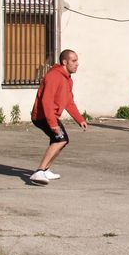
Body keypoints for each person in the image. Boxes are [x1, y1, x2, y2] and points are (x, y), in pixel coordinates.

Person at [29, 49, 88, 185]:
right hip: (42, 116)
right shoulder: (54, 76)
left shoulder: (68, 79)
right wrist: (53, 124)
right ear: (64, 62)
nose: (77, 64)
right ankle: (39, 171)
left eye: (77, 61)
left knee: (62, 140)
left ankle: (46, 170)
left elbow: (69, 101)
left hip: (50, 116)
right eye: (74, 61)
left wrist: (80, 119)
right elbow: (46, 101)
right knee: (60, 139)